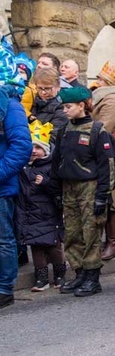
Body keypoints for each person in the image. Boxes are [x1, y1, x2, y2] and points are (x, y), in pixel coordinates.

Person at [52, 86, 115, 297]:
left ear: (82, 105)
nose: (65, 110)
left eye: (68, 106)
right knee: (71, 232)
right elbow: (56, 161)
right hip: (68, 186)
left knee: (91, 232)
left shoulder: (97, 131)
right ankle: (79, 272)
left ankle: (92, 276)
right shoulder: (64, 130)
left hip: (90, 187)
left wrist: (102, 196)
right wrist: (56, 189)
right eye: (63, 106)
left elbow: (107, 166)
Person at [16, 121, 66, 291]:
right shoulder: (23, 169)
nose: (33, 151)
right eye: (31, 148)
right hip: (30, 213)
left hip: (49, 213)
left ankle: (60, 274)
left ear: (45, 150)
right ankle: (41, 277)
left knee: (54, 247)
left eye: (38, 147)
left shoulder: (51, 167)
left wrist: (46, 183)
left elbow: (58, 189)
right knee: (36, 246)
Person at [0, 74, 34, 307]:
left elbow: (22, 146)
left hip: (2, 187)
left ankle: (4, 289)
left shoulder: (10, 105)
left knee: (3, 239)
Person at [92, 60, 115, 261]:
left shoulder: (112, 100)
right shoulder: (106, 97)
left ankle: (113, 242)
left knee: (113, 196)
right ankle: (109, 241)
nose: (97, 82)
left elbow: (102, 127)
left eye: (100, 78)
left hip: (108, 150)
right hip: (106, 148)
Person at [29, 67, 68, 138]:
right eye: (40, 88)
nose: (43, 92)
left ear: (58, 86)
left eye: (47, 89)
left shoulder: (63, 109)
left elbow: (54, 138)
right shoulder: (31, 101)